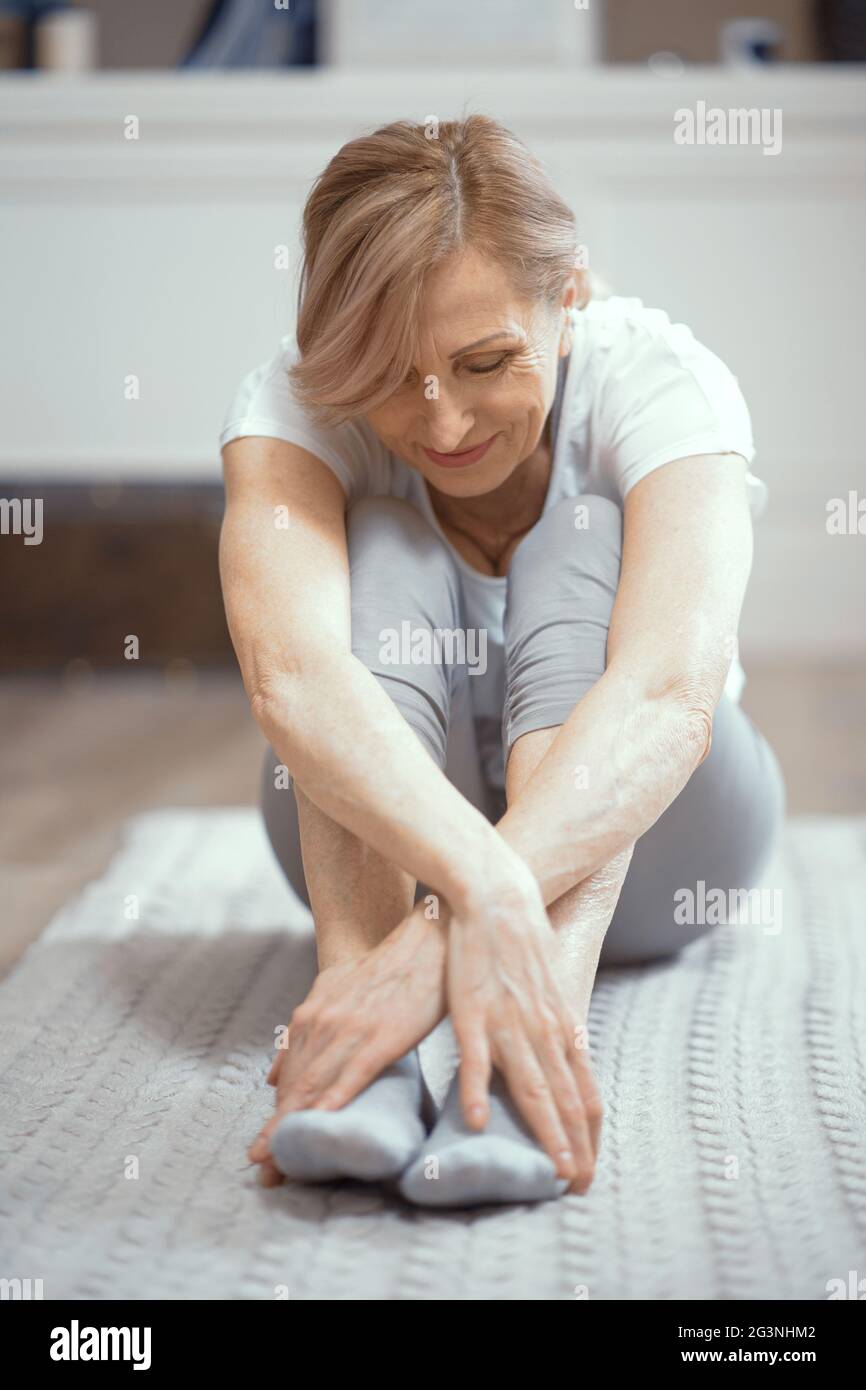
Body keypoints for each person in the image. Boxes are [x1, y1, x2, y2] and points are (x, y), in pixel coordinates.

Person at [218, 115, 785, 1209]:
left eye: (483, 363)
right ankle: (365, 1047)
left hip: (666, 850)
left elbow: (668, 697)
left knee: (577, 530)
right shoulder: (294, 401)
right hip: (379, 856)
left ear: (568, 294)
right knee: (385, 536)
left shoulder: (661, 379)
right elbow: (291, 680)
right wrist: (465, 892)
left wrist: (458, 921)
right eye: (392, 374)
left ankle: (537, 1034)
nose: (440, 422)